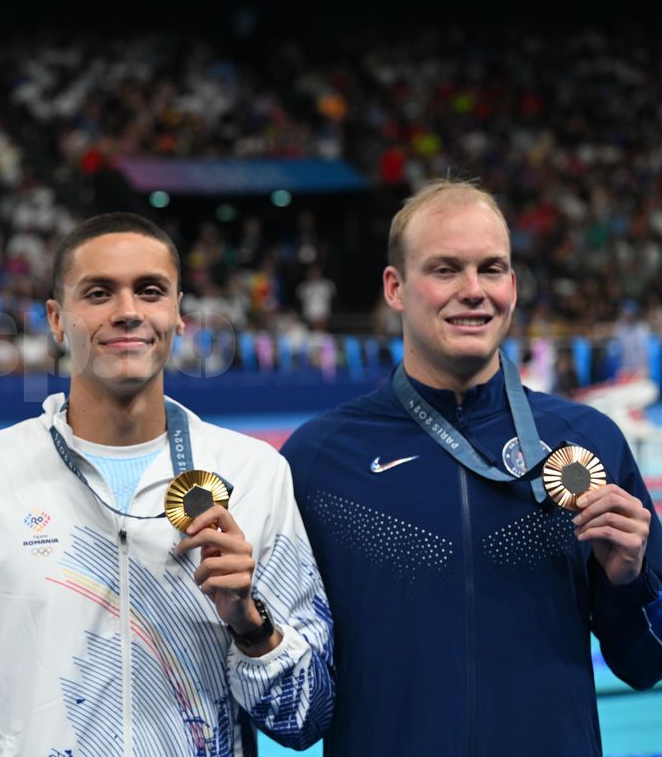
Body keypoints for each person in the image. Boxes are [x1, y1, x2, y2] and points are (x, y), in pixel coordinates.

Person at [0, 213, 334, 754]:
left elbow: (306, 719)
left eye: (150, 291)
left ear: (178, 314)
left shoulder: (255, 473)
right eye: (98, 293)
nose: (128, 311)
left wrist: (249, 625)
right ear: (56, 319)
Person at [281, 179, 662, 756]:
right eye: (445, 270)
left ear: (512, 285)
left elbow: (645, 663)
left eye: (491, 269)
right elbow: (291, 705)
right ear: (395, 288)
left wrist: (627, 583)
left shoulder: (589, 443)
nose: (473, 290)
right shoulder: (318, 461)